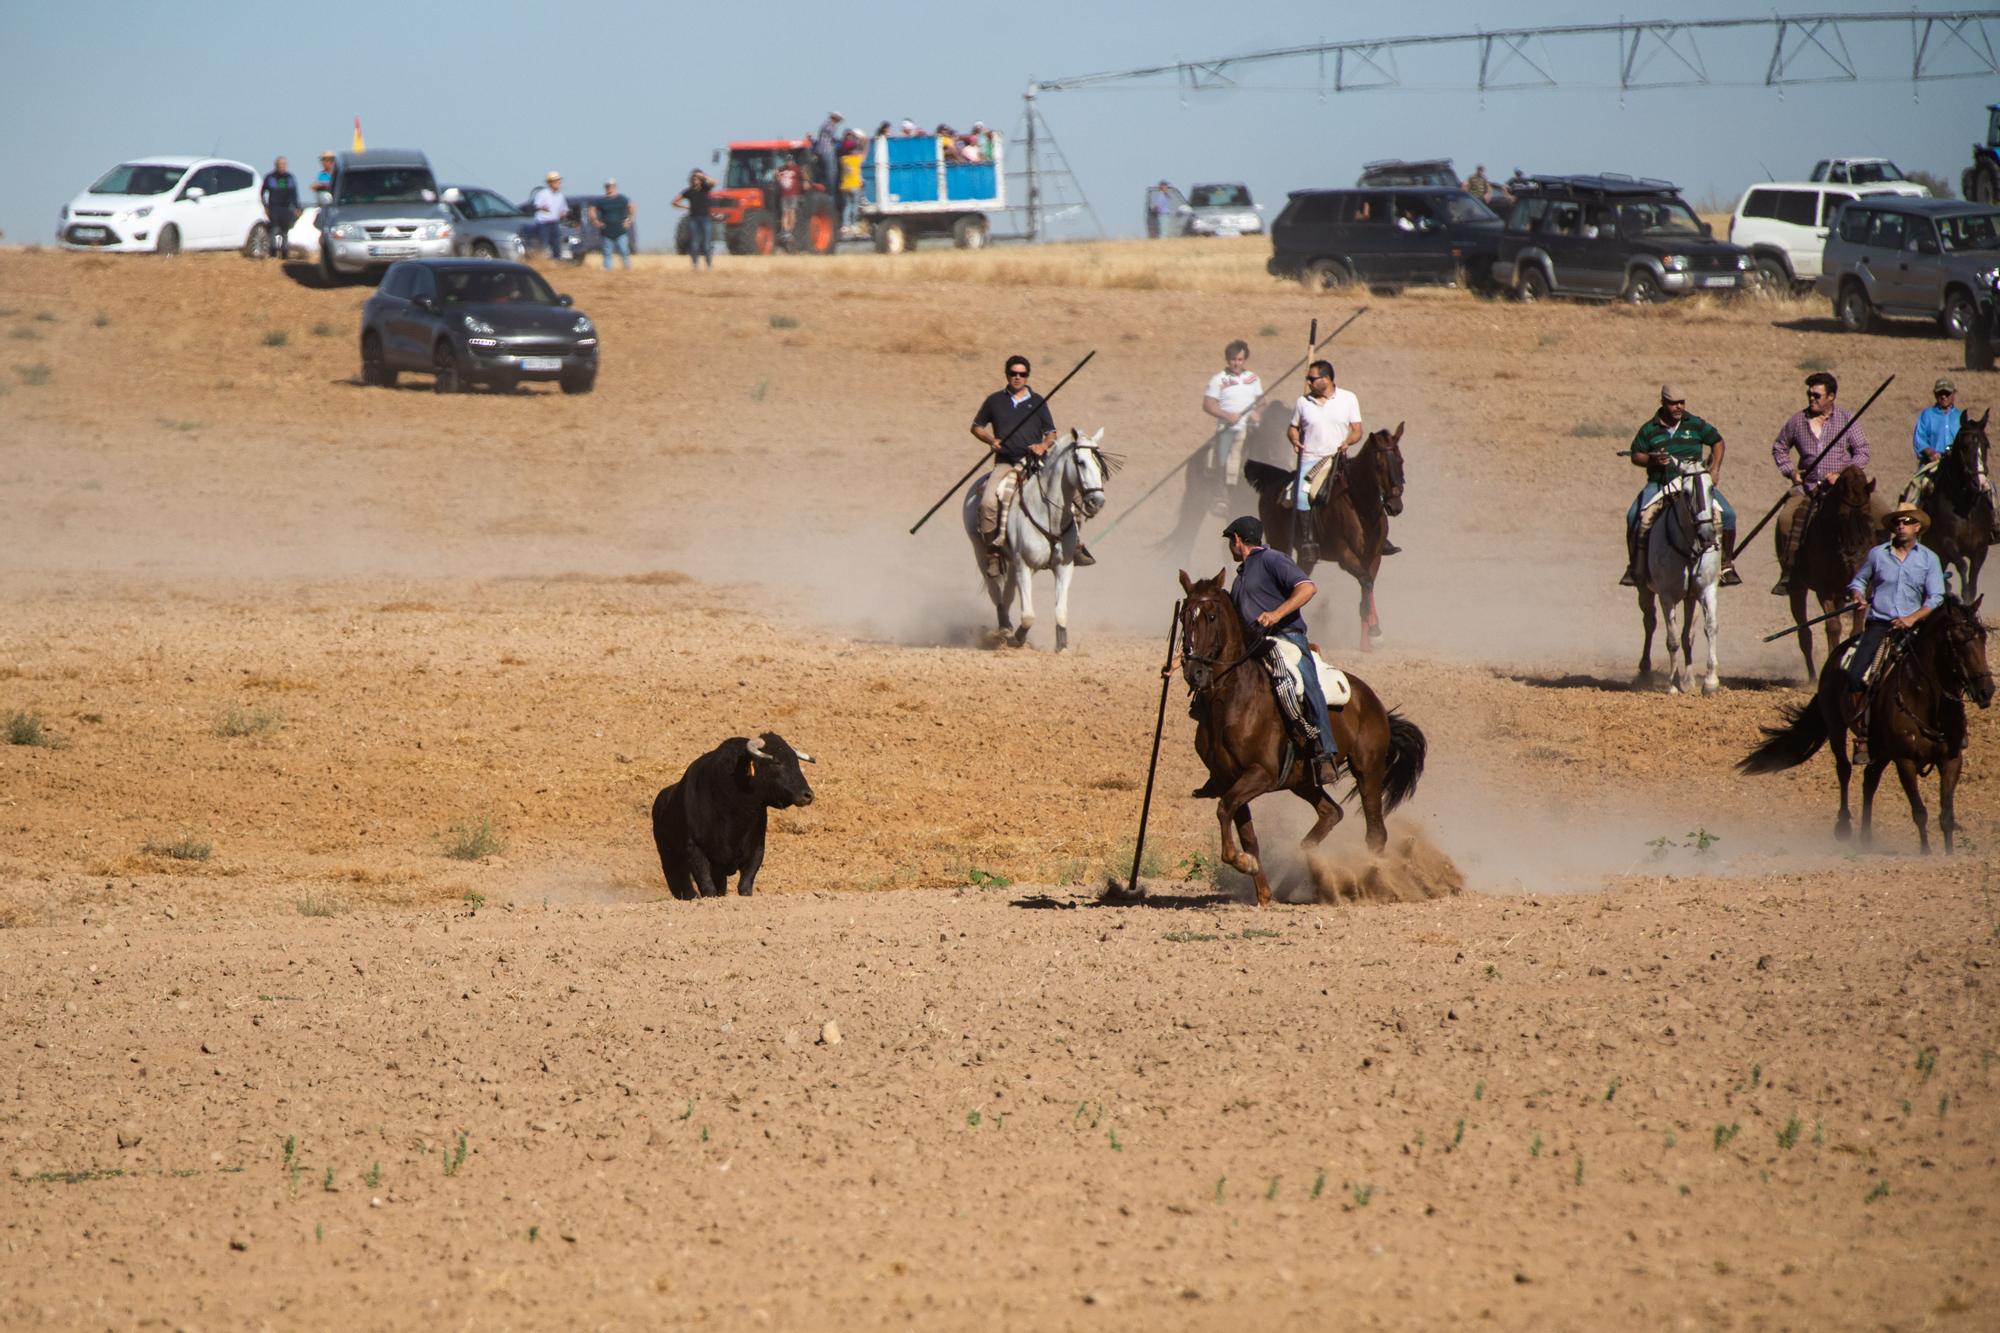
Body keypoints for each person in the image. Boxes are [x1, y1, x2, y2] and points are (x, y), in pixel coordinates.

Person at [1219, 515, 1342, 784]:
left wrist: (1276, 614)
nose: (1230, 545)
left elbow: (1307, 588)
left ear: (1237, 539)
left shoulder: (1273, 559)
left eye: (1230, 540)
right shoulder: (1240, 579)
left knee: (1307, 684)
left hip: (1287, 638)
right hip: (1255, 644)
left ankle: (1325, 751)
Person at [1842, 503, 1945, 763]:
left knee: (1947, 672)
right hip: (1880, 625)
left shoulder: (1928, 559)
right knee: (1856, 674)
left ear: (1917, 527)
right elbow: (1859, 581)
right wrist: (1857, 595)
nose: (1901, 525)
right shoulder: (1878, 555)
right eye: (1898, 522)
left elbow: (1936, 597)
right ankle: (1863, 736)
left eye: (1907, 521)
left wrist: (1912, 618)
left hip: (1915, 628)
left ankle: (1953, 729)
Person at [1622, 385, 1742, 587]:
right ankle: (1636, 567)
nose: (1678, 407)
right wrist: (1652, 461)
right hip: (1661, 483)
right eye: (1673, 403)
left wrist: (1715, 469)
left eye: (1681, 402)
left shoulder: (1694, 424)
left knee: (1728, 514)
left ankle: (1726, 564)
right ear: (1663, 403)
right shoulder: (1649, 428)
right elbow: (1636, 455)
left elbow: (1718, 442)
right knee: (1634, 514)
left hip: (1695, 482)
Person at [1771, 371, 1873, 595]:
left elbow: (1862, 451)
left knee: (1881, 513)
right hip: (1808, 487)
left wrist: (1844, 473)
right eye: (1809, 394)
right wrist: (1791, 472)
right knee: (1787, 518)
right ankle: (1789, 571)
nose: (1811, 399)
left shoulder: (1846, 419)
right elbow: (1779, 447)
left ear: (1831, 397)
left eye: (1817, 395)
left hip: (1844, 488)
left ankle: (1880, 571)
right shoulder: (1798, 421)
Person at [1287, 360, 1395, 553]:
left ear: (1326, 379)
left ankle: (1380, 536)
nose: (1309, 383)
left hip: (1338, 458)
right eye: (1308, 379)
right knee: (1302, 494)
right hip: (1312, 460)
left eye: (1312, 379)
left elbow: (1357, 430)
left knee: (1371, 486)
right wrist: (1295, 440)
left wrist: (1348, 442)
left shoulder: (1348, 398)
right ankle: (1307, 540)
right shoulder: (1303, 402)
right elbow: (1293, 428)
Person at [970, 355, 1061, 578]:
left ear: (1027, 376)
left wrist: (1043, 445)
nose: (1017, 377)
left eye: (1022, 374)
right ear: (1007, 375)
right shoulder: (994, 401)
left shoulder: (1038, 401)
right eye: (1013, 373)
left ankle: (1073, 544)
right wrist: (991, 441)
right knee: (987, 503)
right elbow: (976, 427)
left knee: (1069, 493)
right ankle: (993, 554)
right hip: (1006, 463)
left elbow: (1052, 433)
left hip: (1035, 463)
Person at [1903, 377, 1983, 506]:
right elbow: (1919, 439)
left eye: (1947, 393)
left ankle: (1993, 518)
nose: (1944, 397)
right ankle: (1910, 516)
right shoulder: (1927, 415)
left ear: (1954, 394)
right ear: (1935, 394)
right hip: (1934, 463)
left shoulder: (1960, 417)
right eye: (1941, 393)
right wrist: (1930, 452)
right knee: (1917, 486)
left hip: (1958, 462)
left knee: (1986, 485)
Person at [1203, 340, 1263, 491]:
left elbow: (1262, 402)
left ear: (1244, 360)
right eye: (1233, 360)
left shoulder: (1253, 378)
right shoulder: (1218, 379)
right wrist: (1227, 415)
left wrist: (1257, 413)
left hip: (1251, 427)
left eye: (1240, 359)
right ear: (1228, 360)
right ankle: (1221, 492)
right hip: (1228, 427)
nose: (1236, 363)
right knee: (1225, 455)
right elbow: (1208, 404)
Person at [672, 169, 716, 269]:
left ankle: (708, 265)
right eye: (694, 179)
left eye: (697, 179)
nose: (695, 181)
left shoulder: (706, 188)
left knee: (706, 243)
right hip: (693, 219)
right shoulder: (688, 192)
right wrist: (685, 207)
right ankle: (695, 265)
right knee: (694, 243)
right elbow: (674, 202)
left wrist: (703, 176)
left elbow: (714, 182)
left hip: (705, 218)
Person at [260, 156, 299, 261]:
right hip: (274, 208)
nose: (282, 167)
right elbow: (262, 192)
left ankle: (285, 254)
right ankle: (273, 253)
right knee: (274, 230)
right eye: (280, 165)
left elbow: (294, 194)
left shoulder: (290, 177)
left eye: (284, 165)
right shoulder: (270, 177)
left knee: (285, 232)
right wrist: (265, 206)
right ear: (276, 165)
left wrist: (297, 207)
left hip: (286, 209)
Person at [591, 180, 634, 271]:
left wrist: (629, 220)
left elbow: (631, 206)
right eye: (607, 186)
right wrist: (595, 221)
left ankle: (627, 269)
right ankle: (608, 270)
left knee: (624, 251)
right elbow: (592, 209)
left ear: (615, 187)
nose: (609, 188)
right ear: (605, 188)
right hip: (606, 231)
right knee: (607, 253)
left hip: (620, 231)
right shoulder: (601, 200)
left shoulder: (622, 199)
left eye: (611, 186)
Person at [531, 171, 567, 261]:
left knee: (557, 246)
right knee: (544, 246)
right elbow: (536, 206)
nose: (559, 183)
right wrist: (543, 208)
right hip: (543, 224)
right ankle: (542, 263)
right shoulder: (542, 194)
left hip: (554, 223)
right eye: (556, 181)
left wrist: (563, 213)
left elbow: (564, 209)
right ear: (550, 183)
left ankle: (556, 263)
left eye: (559, 181)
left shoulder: (560, 195)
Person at [773, 156, 803, 242]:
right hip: (784, 195)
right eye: (787, 160)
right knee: (785, 212)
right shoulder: (781, 169)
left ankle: (790, 231)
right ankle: (785, 231)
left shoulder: (797, 169)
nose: (789, 162)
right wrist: (776, 175)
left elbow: (803, 177)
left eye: (790, 160)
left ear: (793, 161)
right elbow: (778, 178)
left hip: (793, 194)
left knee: (792, 211)